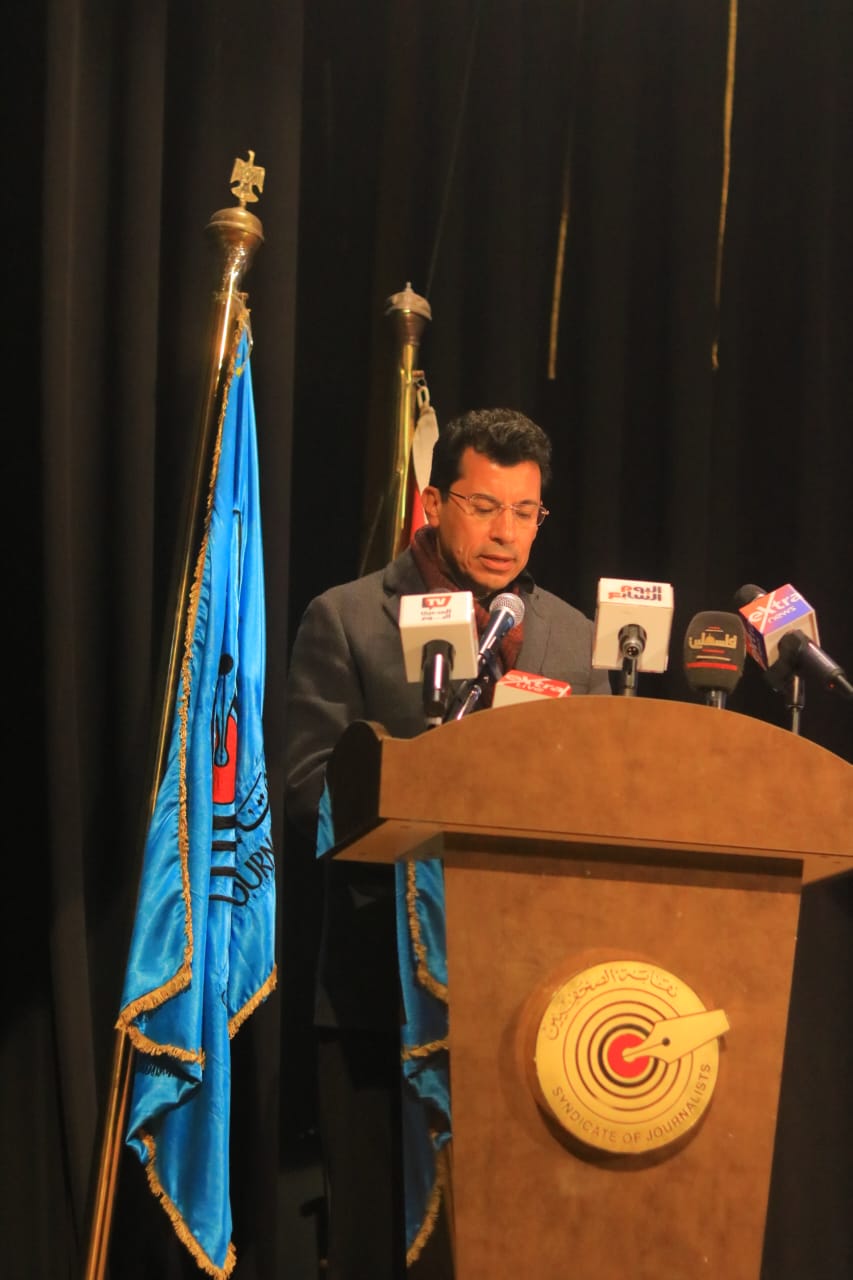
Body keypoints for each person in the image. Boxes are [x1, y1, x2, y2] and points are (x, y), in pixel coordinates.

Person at [284, 408, 610, 1278]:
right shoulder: (348, 618)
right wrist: (426, 790)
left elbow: (608, 797)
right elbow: (305, 786)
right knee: (385, 1241)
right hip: (380, 988)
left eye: (525, 512)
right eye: (483, 506)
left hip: (535, 993)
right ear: (434, 504)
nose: (505, 533)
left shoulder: (577, 640)